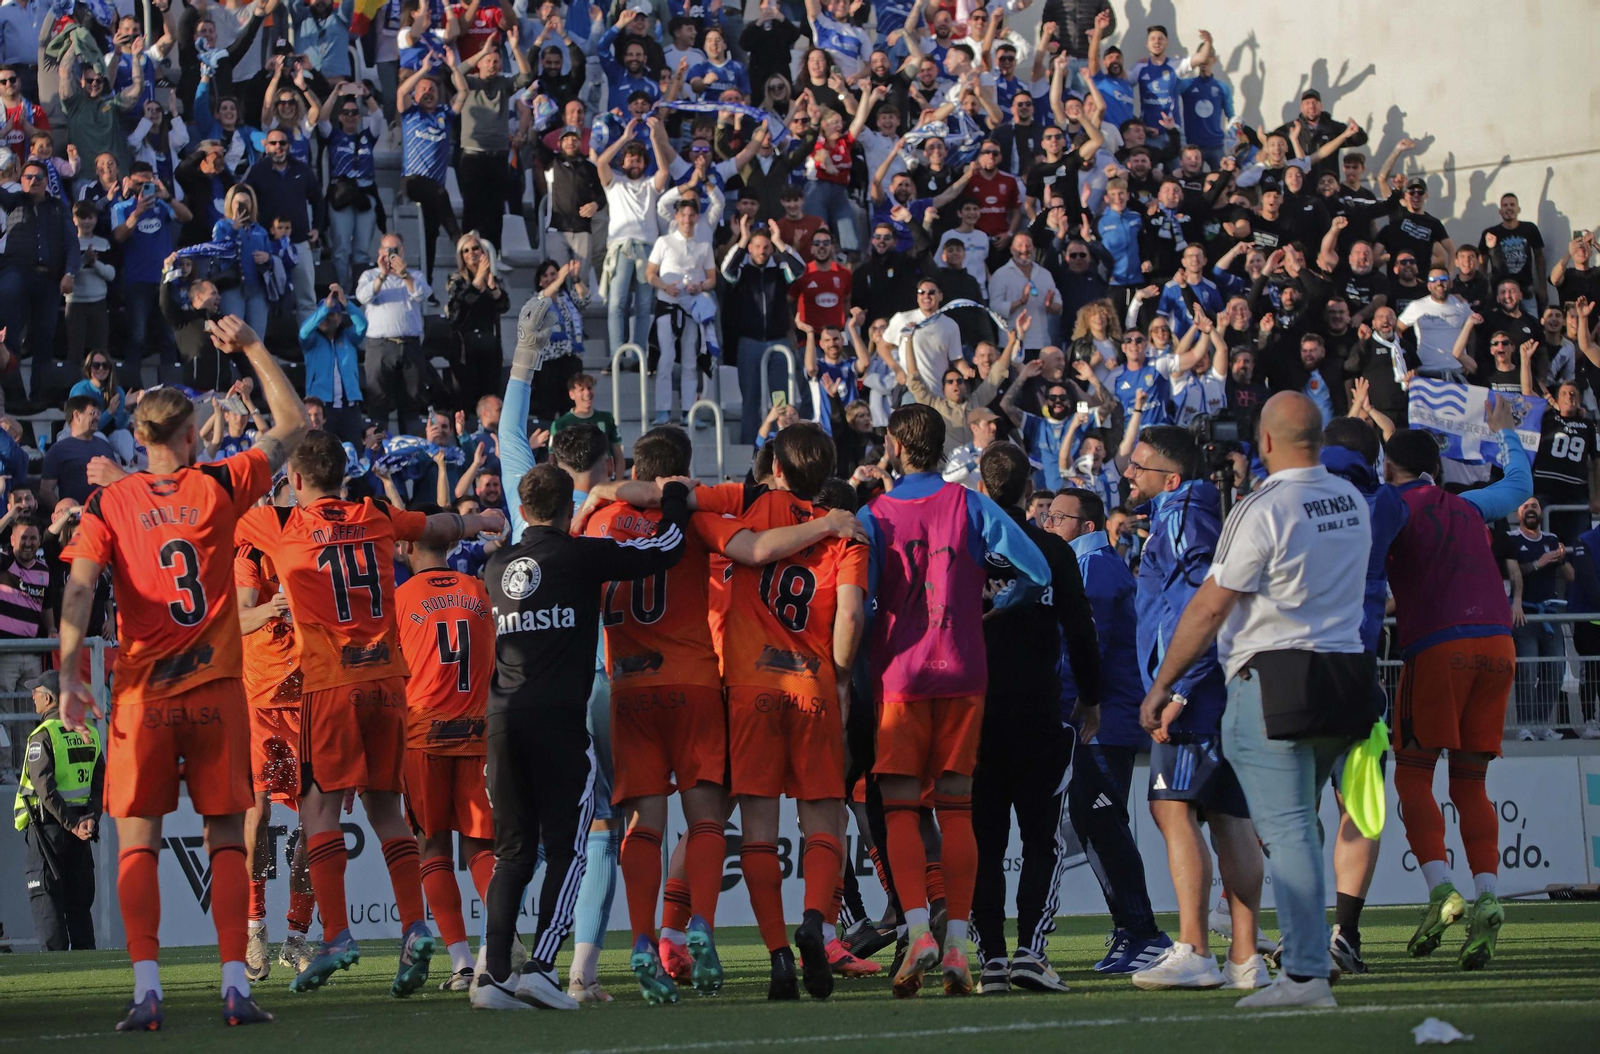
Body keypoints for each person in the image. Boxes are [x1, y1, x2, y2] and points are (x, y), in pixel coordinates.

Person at [56, 316, 306, 1031]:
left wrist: (72, 670)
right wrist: (252, 346)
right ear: (191, 436)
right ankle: (233, 984)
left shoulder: (109, 502)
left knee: (137, 841)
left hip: (140, 696)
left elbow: (79, 590)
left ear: (137, 439)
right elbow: (290, 423)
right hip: (218, 691)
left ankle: (147, 991)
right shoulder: (220, 486)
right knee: (226, 836)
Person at [575, 426, 870, 1002]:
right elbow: (771, 563)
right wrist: (839, 675)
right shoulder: (834, 534)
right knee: (786, 821)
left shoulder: (614, 519)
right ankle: (790, 923)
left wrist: (602, 494)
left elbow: (736, 539)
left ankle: (679, 941)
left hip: (653, 685)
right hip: (746, 684)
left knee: (671, 826)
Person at [234, 431, 503, 997]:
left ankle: (336, 934)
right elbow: (438, 528)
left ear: (298, 482)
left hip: (330, 684)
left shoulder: (280, 525)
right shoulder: (377, 514)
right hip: (388, 684)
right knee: (388, 814)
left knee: (318, 810)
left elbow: (227, 509)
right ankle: (413, 927)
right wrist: (478, 525)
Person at [1142, 392, 1375, 1008]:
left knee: (1289, 829)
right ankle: (1288, 963)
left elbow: (1210, 603)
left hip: (1276, 676)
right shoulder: (1350, 497)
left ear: (1266, 443)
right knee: (1298, 825)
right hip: (1347, 675)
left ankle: (1303, 974)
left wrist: (1165, 681)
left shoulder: (1262, 506)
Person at [472, 459, 693, 1012]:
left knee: (512, 854)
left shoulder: (497, 566)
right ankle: (544, 968)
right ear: (569, 511)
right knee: (569, 851)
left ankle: (493, 977)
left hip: (500, 722)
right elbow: (666, 548)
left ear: (522, 512)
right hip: (559, 723)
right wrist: (671, 496)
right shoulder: (576, 555)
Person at [857, 403, 1051, 997]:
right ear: (943, 447)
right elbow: (1037, 571)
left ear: (893, 445)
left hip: (900, 679)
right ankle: (960, 945)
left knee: (900, 812)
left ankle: (918, 928)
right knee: (958, 809)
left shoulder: (874, 515)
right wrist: (999, 604)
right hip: (964, 671)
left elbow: (861, 606)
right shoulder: (971, 504)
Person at [1383, 398, 1532, 971]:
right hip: (1498, 646)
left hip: (1438, 648)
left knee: (1415, 773)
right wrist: (1505, 433)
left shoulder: (1389, 506)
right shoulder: (1469, 505)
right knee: (1472, 782)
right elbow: (1518, 487)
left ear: (1390, 470)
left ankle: (1442, 890)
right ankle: (1489, 895)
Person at [1122, 424, 1266, 991]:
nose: (1128, 473)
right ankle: (1246, 958)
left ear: (1172, 478)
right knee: (1230, 818)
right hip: (1214, 691)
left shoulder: (1181, 518)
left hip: (1196, 696)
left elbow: (1203, 607)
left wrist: (1177, 689)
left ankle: (1195, 950)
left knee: (1173, 808)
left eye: (1140, 465)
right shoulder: (1185, 515)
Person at [970, 443, 1101, 995]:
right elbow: (1081, 628)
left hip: (972, 716)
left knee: (983, 841)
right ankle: (1029, 951)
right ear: (1029, 492)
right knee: (1042, 838)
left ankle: (993, 961)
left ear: (982, 485)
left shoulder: (963, 551)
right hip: (1037, 712)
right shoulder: (1049, 548)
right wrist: (1091, 698)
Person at [1046, 487, 1171, 973]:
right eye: (1049, 514)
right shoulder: (1085, 565)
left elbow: (1087, 644)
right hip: (1099, 714)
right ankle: (1133, 928)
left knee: (1100, 818)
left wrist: (1072, 701)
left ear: (1088, 527)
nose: (1050, 522)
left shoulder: (1094, 567)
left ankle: (1142, 930)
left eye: (1061, 517)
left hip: (1103, 717)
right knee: (1095, 819)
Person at [394, 518, 499, 991]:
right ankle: (499, 946)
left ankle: (460, 962)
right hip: (479, 733)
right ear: (453, 541)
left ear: (406, 544)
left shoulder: (399, 599)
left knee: (431, 848)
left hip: (423, 735)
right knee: (482, 849)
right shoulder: (480, 590)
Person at [232, 482, 315, 981]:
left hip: (308, 697)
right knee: (257, 815)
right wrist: (277, 606)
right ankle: (253, 927)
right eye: (279, 507)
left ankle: (298, 934)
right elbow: (240, 615)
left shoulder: (315, 549)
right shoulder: (250, 554)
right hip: (261, 699)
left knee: (313, 820)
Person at [13, 670, 103, 952]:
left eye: (36, 691)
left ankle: (56, 970)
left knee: (46, 899)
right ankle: (88, 969)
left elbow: (44, 787)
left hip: (49, 830)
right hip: (81, 830)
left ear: (48, 697)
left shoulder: (43, 734)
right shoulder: (89, 732)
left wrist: (70, 823)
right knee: (79, 903)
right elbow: (100, 782)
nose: (32, 697)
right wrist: (89, 819)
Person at [722, 214, 807, 445]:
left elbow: (799, 270)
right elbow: (727, 271)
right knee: (750, 397)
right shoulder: (743, 272)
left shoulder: (779, 271)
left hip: (778, 340)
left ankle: (782, 444)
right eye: (757, 246)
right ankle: (751, 446)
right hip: (749, 341)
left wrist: (780, 242)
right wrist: (742, 240)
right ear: (750, 247)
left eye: (766, 247)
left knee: (780, 399)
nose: (762, 251)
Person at [1504, 496, 1572, 739]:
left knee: (1554, 670)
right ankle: (1525, 724)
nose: (1530, 510)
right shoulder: (1511, 539)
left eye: (1534, 506)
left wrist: (1562, 559)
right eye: (1525, 506)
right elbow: (1512, 572)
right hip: (1524, 615)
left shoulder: (1552, 540)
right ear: (1518, 513)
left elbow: (1570, 576)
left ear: (1541, 512)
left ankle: (1541, 724)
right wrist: (1538, 562)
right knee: (1527, 670)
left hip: (1550, 615)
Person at [647, 198, 716, 426]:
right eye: (682, 215)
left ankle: (689, 412)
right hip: (668, 307)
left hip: (692, 310)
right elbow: (650, 274)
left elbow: (712, 279)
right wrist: (665, 286)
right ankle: (663, 411)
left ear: (697, 218)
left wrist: (701, 286)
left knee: (689, 361)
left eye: (691, 215)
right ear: (676, 217)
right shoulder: (664, 242)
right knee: (666, 359)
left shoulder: (703, 245)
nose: (687, 220)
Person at [242, 130, 322, 319]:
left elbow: (318, 200)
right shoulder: (257, 171)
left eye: (283, 143)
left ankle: (307, 346)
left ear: (289, 146)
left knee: (307, 299)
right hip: (268, 245)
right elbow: (243, 199)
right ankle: (263, 346)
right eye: (273, 143)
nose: (278, 147)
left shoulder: (302, 169)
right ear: (266, 146)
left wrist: (318, 227)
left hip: (299, 241)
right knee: (264, 296)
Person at [358, 233, 433, 435]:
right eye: (387, 250)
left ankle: (411, 453)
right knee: (378, 403)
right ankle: (377, 456)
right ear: (380, 252)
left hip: (410, 345)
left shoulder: (415, 275)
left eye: (395, 250)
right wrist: (382, 275)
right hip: (380, 346)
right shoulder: (369, 275)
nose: (391, 255)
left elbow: (422, 294)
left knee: (412, 403)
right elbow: (363, 296)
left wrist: (404, 274)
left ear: (403, 251)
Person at [445, 232, 511, 412]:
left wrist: (493, 288)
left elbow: (504, 305)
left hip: (490, 345)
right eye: (465, 251)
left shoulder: (494, 278)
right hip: (465, 349)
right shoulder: (456, 279)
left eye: (475, 248)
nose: (471, 253)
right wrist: (478, 278)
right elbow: (462, 303)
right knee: (466, 400)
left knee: (491, 399)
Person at [297, 285, 367, 444]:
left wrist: (346, 304)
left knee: (353, 453)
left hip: (350, 407)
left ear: (340, 317)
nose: (329, 318)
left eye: (333, 314)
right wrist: (324, 309)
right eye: (326, 315)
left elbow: (362, 325)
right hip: (321, 408)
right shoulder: (311, 342)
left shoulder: (349, 337)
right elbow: (304, 332)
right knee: (323, 452)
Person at [42, 396, 118, 508]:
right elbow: (45, 491)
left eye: (98, 413)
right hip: (77, 519)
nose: (97, 418)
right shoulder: (58, 450)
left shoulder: (104, 445)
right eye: (92, 413)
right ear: (76, 415)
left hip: (106, 514)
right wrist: (65, 513)